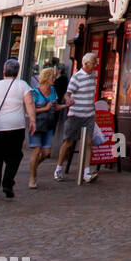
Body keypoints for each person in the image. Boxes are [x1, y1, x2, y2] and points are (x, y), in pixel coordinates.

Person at [0, 59, 36, 199]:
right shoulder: (22, 85)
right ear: (17, 71)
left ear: (3, 71)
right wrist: (32, 120)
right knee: (14, 157)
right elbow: (29, 103)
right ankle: (8, 183)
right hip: (16, 126)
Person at [55, 52, 99, 183]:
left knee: (88, 142)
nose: (95, 65)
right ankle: (58, 168)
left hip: (89, 114)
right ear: (85, 64)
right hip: (76, 114)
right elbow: (67, 94)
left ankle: (86, 172)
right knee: (68, 142)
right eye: (93, 63)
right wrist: (69, 100)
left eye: (96, 63)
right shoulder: (76, 77)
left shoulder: (94, 76)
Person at [28, 67, 65, 189]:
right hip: (37, 125)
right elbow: (31, 110)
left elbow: (55, 107)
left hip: (49, 125)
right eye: (52, 77)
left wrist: (66, 105)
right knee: (37, 150)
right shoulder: (34, 92)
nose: (54, 79)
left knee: (46, 152)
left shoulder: (53, 90)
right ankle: (32, 178)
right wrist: (45, 108)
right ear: (46, 78)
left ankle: (34, 166)